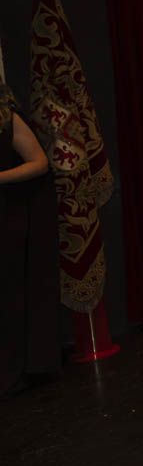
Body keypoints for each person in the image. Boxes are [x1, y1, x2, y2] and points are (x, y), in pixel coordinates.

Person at [0, 82, 58, 397]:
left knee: (9, 297)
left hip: (7, 218)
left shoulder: (7, 118)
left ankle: (12, 372)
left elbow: (39, 163)